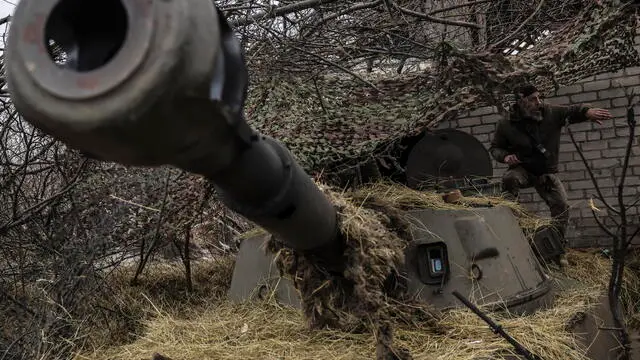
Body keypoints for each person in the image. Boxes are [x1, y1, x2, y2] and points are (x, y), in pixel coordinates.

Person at [488, 83, 612, 266]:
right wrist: (505, 157)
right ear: (520, 102)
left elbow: (572, 111)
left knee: (562, 206)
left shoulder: (551, 113)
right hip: (523, 169)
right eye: (532, 99)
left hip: (546, 172)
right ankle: (512, 222)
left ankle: (557, 250)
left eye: (539, 97)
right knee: (509, 179)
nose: (538, 102)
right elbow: (495, 148)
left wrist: (588, 113)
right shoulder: (506, 124)